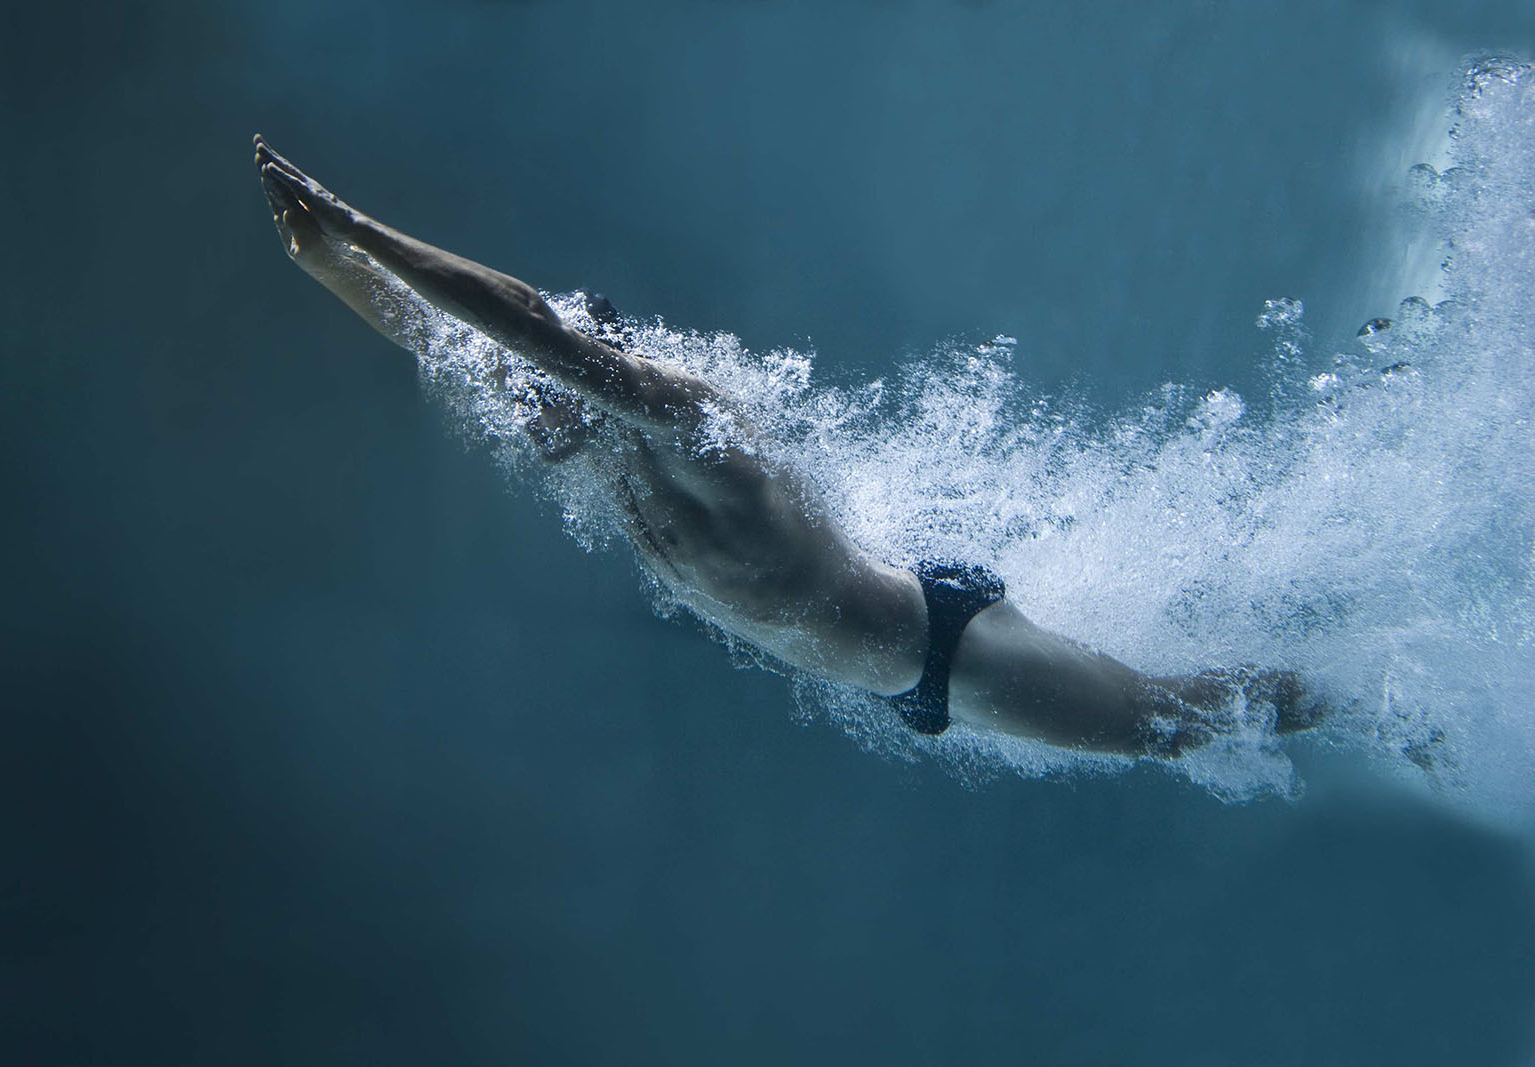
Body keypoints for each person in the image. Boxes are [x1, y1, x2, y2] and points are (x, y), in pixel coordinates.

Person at [254, 135, 1318, 757]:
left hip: (951, 650)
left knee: (1170, 726)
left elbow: (523, 325)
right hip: (900, 666)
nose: (524, 410)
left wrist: (358, 228)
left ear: (596, 375)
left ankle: (1373, 695)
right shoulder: (593, 449)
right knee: (1169, 718)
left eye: (549, 391)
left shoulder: (679, 425)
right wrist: (318, 262)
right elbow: (445, 342)